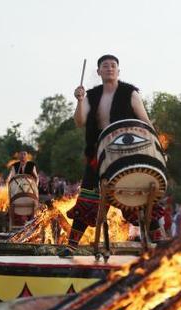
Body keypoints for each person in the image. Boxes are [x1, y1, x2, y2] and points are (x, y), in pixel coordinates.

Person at [60, 54, 165, 257]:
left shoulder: (130, 93)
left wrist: (157, 147)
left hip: (129, 151)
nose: (109, 68)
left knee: (140, 193)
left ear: (118, 70)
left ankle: (160, 244)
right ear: (99, 71)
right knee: (88, 199)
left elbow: (145, 121)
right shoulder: (90, 95)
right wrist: (79, 101)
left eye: (113, 65)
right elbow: (80, 122)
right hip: (98, 154)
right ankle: (72, 245)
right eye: (105, 66)